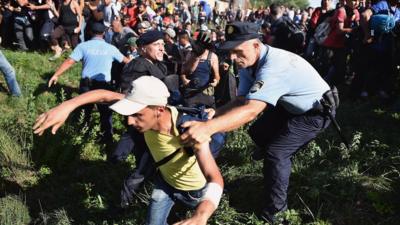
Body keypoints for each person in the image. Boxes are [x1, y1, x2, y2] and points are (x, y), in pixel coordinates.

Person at [180, 21, 338, 223]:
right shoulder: (250, 62)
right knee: (258, 133)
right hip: (288, 105)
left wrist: (207, 128)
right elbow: (242, 99)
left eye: (237, 52)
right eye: (230, 52)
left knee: (276, 154)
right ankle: (272, 170)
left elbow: (251, 110)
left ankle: (276, 213)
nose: (233, 58)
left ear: (256, 45)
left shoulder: (274, 67)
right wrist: (216, 113)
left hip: (314, 113)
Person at [33, 76, 224, 225]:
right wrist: (67, 106)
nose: (130, 122)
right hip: (165, 183)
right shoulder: (145, 103)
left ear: (159, 109)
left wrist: (201, 215)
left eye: (137, 115)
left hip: (193, 191)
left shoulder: (188, 131)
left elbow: (215, 178)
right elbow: (104, 95)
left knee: (187, 217)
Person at [48, 22, 130, 148]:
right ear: (103, 34)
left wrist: (56, 74)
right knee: (105, 114)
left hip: (87, 85)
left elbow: (70, 61)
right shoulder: (111, 48)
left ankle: (80, 138)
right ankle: (107, 140)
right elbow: (126, 62)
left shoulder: (83, 46)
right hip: (104, 86)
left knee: (84, 112)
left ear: (91, 32)